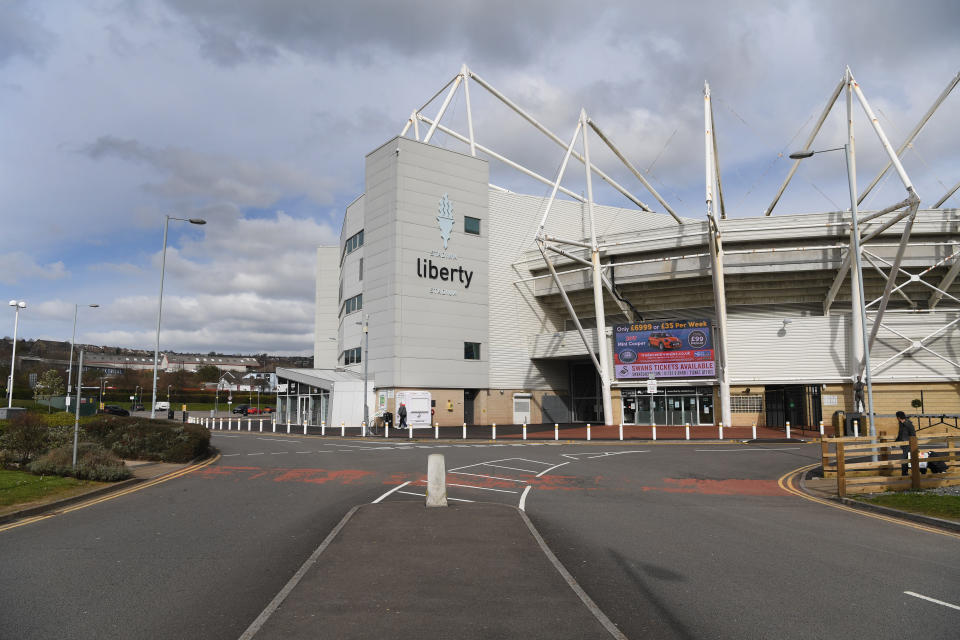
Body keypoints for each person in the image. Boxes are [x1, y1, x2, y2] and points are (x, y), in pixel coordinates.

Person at [895, 410, 916, 476]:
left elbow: (913, 434)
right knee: (906, 459)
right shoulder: (901, 424)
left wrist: (912, 443)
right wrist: (894, 443)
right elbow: (900, 434)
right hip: (904, 445)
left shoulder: (908, 424)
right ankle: (906, 473)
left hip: (909, 444)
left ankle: (905, 473)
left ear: (898, 417)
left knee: (906, 459)